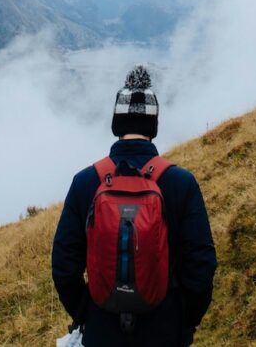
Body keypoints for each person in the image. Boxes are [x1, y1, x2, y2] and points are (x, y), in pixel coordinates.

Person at [52, 66, 217, 346]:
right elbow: (201, 265)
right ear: (154, 126)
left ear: (116, 123)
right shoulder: (181, 183)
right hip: (164, 330)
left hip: (101, 330)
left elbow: (64, 265)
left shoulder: (85, 182)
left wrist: (86, 314)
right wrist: (184, 321)